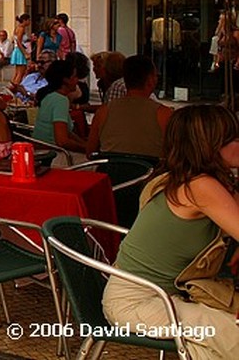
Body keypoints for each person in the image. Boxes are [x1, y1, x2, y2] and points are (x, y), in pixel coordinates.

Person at [103, 105, 239, 359]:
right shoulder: (200, 186)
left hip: (165, 297)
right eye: (232, 138)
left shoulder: (184, 178)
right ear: (209, 146)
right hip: (138, 304)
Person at [87, 55, 172, 158]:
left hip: (110, 171)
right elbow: (174, 154)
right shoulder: (164, 114)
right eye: (155, 76)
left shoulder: (103, 112)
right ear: (150, 80)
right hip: (151, 172)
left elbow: (90, 152)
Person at [32, 60, 88, 153]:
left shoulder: (49, 96)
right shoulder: (61, 101)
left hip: (41, 150)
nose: (77, 80)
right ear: (66, 80)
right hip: (52, 153)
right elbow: (62, 141)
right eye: (74, 77)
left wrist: (85, 145)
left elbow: (67, 132)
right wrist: (87, 150)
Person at [9, 14, 32, 91]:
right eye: (28, 20)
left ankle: (12, 87)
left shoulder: (17, 28)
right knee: (20, 72)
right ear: (25, 20)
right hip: (20, 51)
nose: (29, 22)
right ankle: (15, 88)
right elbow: (19, 42)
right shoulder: (21, 29)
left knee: (17, 72)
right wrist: (25, 53)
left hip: (17, 50)